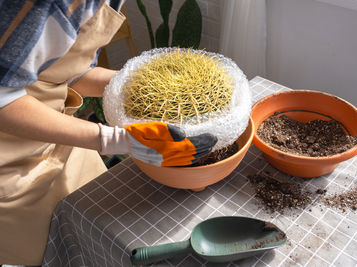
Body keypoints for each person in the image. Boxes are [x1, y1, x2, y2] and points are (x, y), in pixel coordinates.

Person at [0, 1, 216, 265]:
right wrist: (113, 140)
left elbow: (66, 71)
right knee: (52, 251)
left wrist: (138, 87)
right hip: (10, 163)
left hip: (61, 134)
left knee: (95, 231)